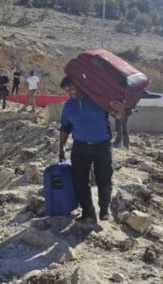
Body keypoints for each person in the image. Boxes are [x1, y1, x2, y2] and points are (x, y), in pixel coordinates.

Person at [59, 76, 114, 224]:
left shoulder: (98, 100)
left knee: (104, 179)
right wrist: (61, 148)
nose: (70, 93)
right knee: (80, 181)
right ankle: (88, 212)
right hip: (80, 147)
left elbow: (116, 111)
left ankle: (104, 209)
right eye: (66, 91)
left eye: (71, 88)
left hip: (102, 146)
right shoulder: (69, 106)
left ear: (81, 85)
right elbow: (65, 128)